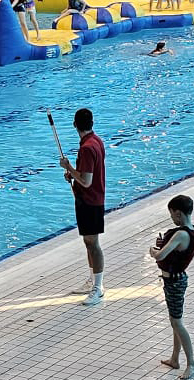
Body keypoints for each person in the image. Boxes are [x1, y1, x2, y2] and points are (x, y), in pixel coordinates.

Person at [150, 195, 194, 380]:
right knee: (175, 320)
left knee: (177, 322)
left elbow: (160, 255)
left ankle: (192, 364)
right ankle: (174, 358)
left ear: (178, 213)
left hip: (174, 282)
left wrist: (152, 251)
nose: (171, 218)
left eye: (171, 214)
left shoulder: (181, 234)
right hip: (177, 280)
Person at [59, 108, 106, 306]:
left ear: (74, 124)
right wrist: (74, 176)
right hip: (92, 198)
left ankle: (98, 287)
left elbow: (86, 181)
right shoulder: (97, 141)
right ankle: (92, 279)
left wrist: (68, 167)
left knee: (93, 244)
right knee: (88, 243)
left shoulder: (87, 148)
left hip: (90, 200)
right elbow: (87, 175)